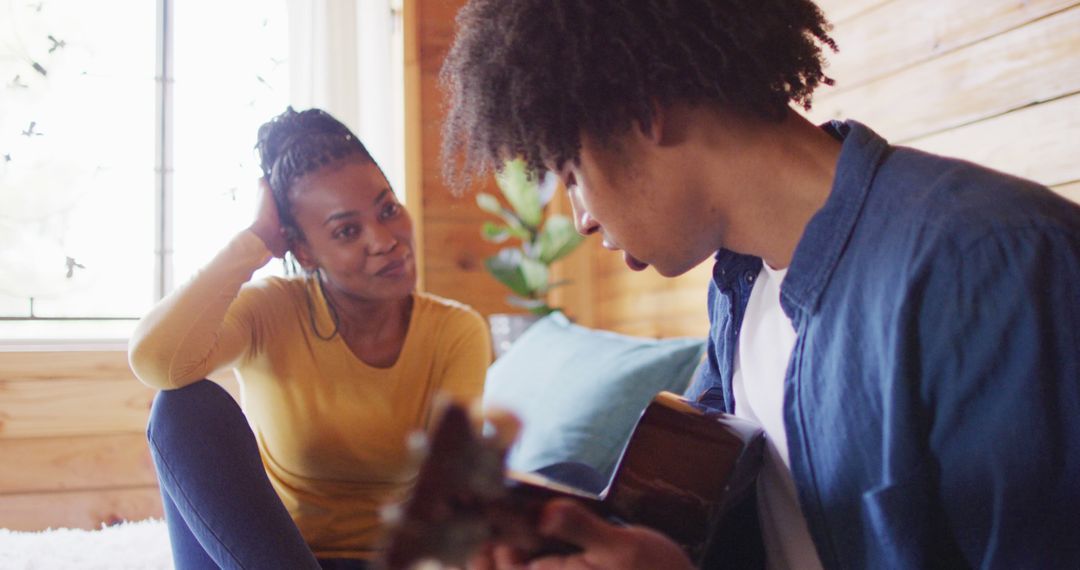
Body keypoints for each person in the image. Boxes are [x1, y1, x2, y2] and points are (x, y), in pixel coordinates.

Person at [438, 0, 1080, 568]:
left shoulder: (993, 263)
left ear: (643, 114)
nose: (579, 217)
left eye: (572, 170)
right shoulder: (738, 286)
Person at [128, 107, 491, 569]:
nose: (384, 240)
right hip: (266, 558)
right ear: (303, 251)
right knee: (181, 408)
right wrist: (255, 241)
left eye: (387, 209)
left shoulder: (455, 331)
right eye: (346, 230)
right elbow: (156, 361)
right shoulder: (271, 310)